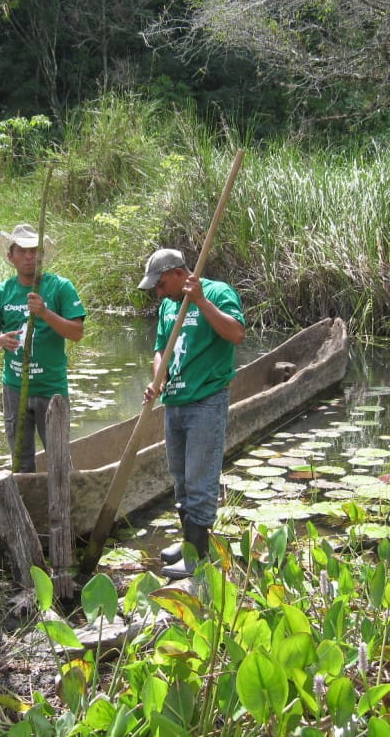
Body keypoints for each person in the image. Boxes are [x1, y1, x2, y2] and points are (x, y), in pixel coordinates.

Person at [139, 248, 245, 579]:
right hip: (175, 401)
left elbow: (236, 333)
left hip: (206, 400)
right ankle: (189, 543)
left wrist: (200, 301)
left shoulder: (215, 292)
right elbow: (161, 350)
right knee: (180, 477)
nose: (158, 292)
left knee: (200, 478)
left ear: (177, 273)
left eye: (160, 284)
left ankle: (198, 556)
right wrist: (159, 378)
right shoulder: (168, 306)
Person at [0, 223, 86, 472]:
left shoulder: (60, 287)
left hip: (51, 388)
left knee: (59, 461)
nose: (29, 257)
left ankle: (65, 508)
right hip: (15, 389)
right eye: (22, 251)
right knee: (21, 461)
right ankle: (26, 506)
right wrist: (0, 341)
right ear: (11, 256)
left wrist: (45, 312)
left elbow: (76, 333)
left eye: (34, 251)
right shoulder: (1, 292)